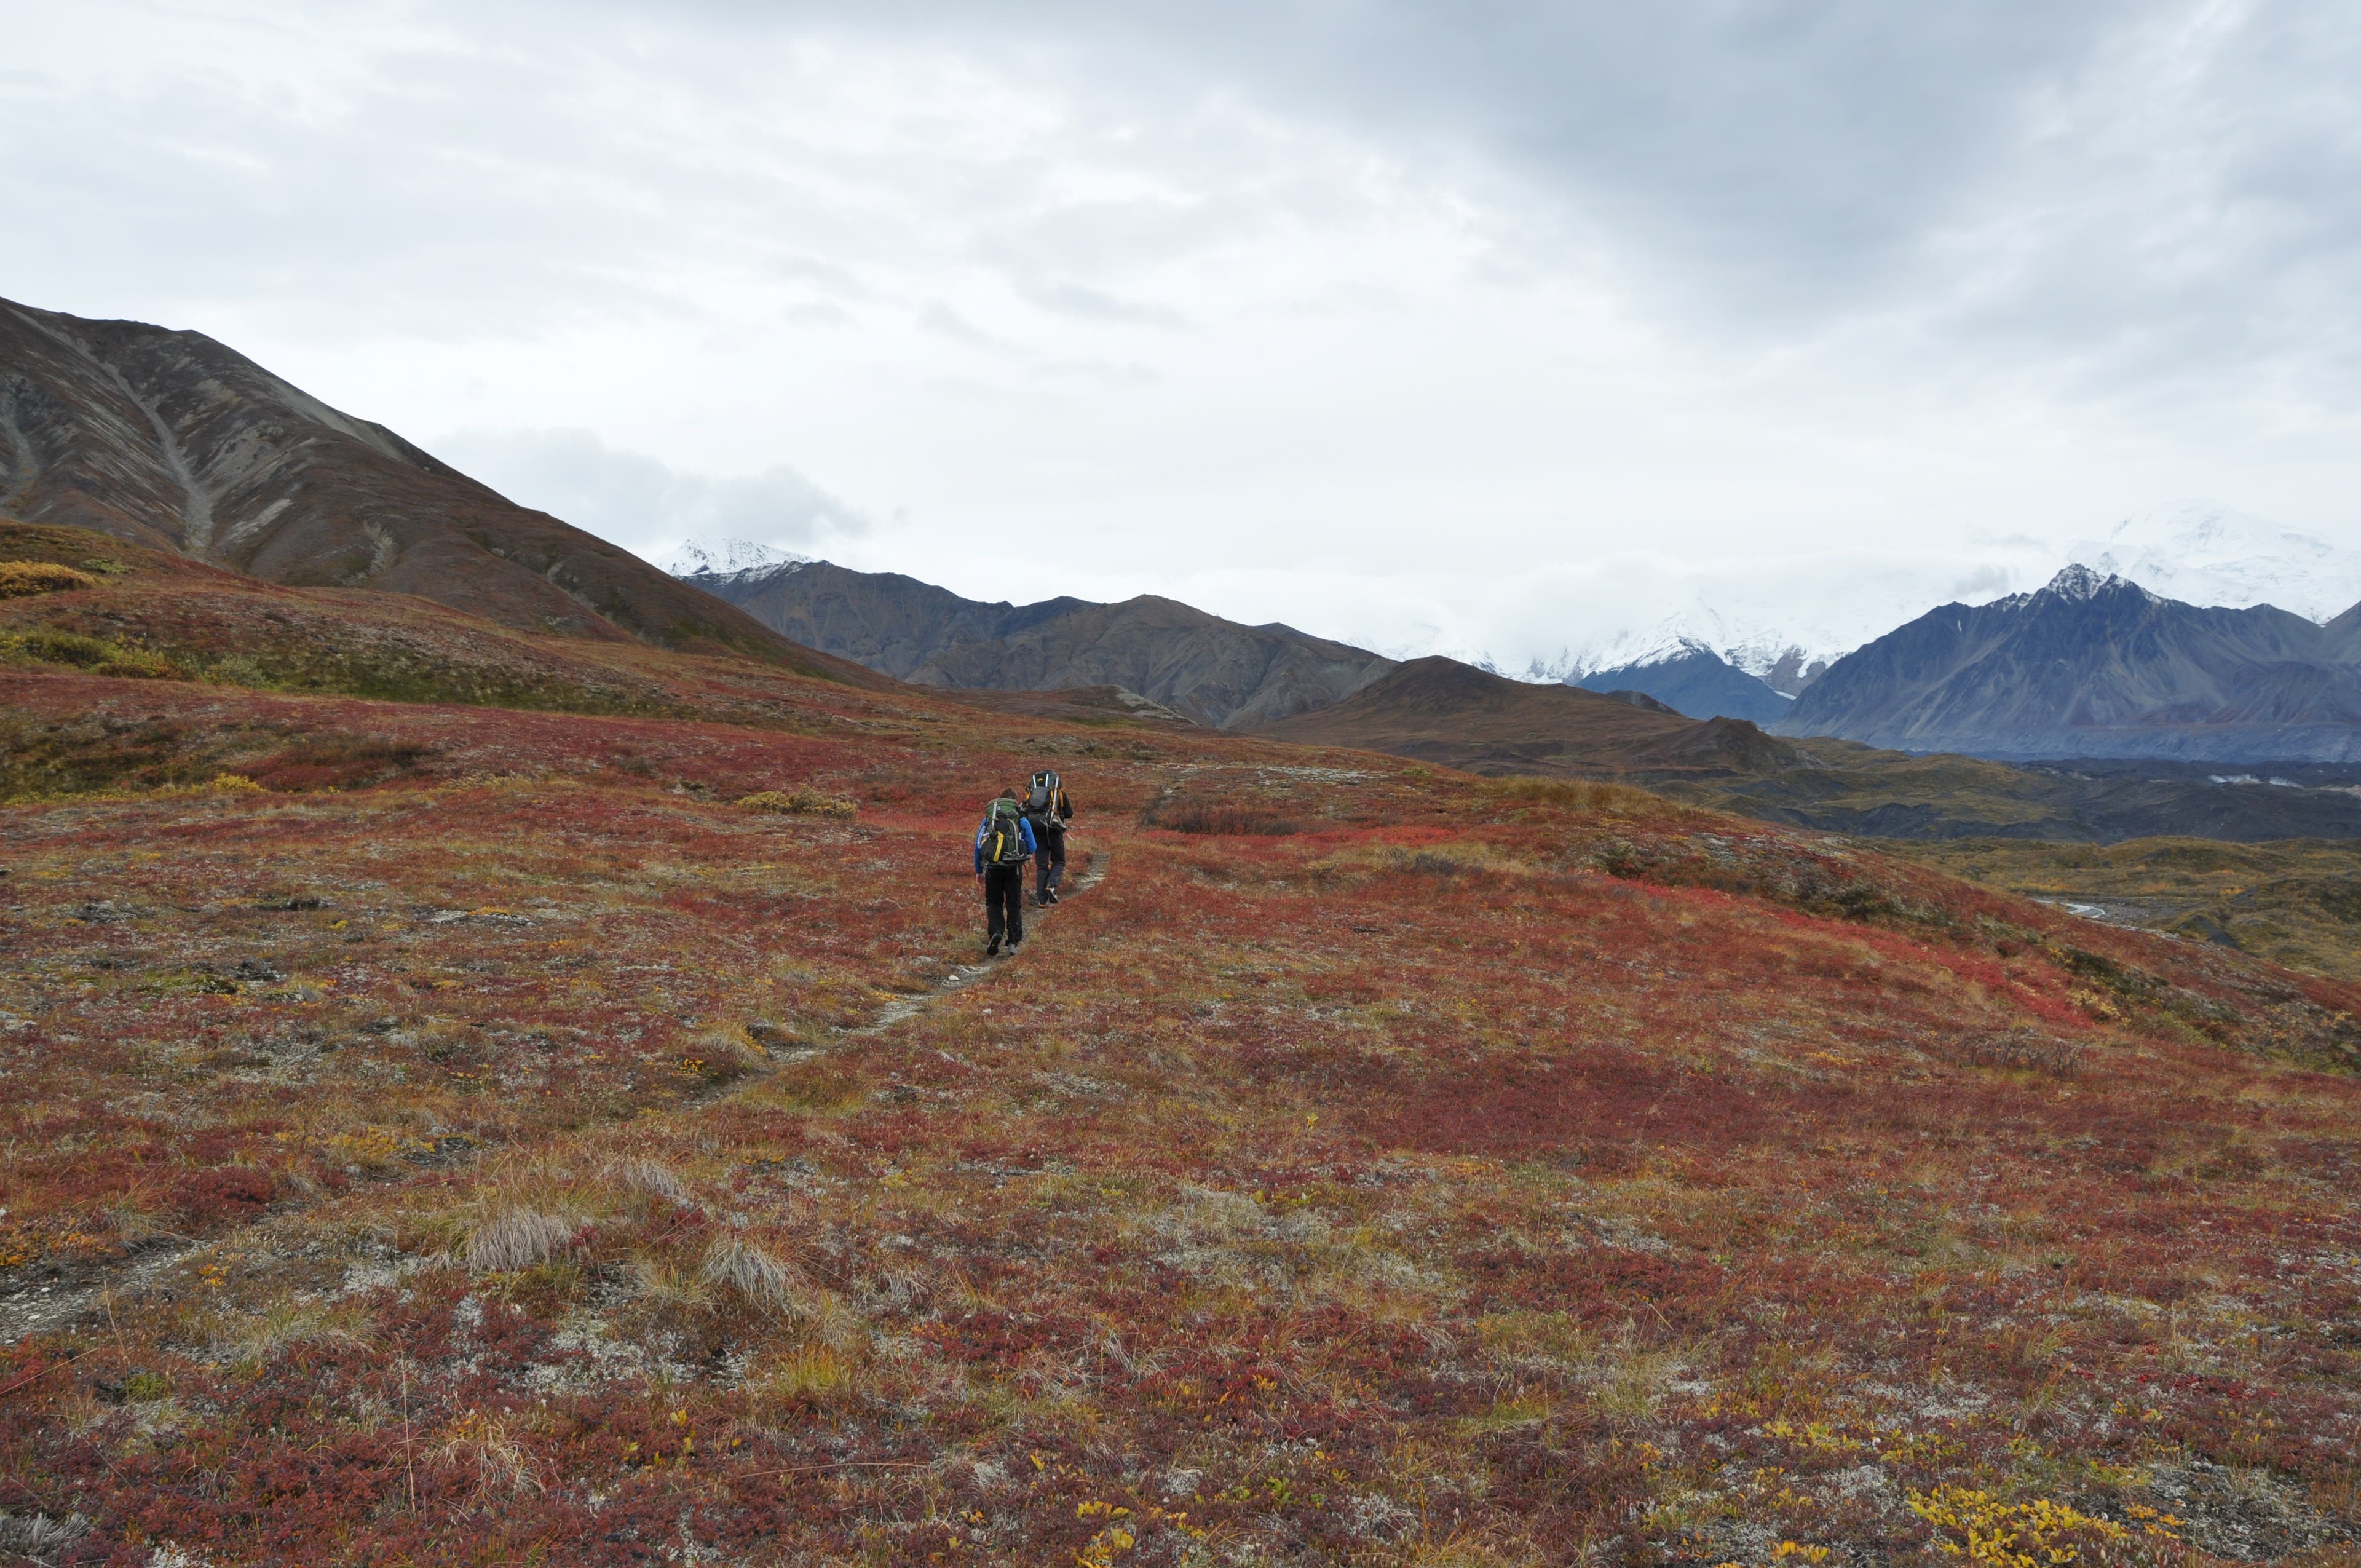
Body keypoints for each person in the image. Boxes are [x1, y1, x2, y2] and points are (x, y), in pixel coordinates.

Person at [973, 789, 1036, 956]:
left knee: (994, 903)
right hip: (1013, 869)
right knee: (1014, 905)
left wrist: (979, 870)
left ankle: (996, 932)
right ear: (1014, 803)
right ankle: (1013, 943)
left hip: (993, 869)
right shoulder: (1021, 820)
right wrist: (1022, 854)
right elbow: (1033, 847)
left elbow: (979, 845)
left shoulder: (988, 820)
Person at [1023, 769, 1076, 905]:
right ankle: (1051, 885)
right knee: (1059, 860)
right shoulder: (1059, 794)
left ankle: (1042, 901)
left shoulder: (1032, 794)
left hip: (1036, 830)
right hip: (1053, 831)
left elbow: (1025, 810)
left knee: (1042, 865)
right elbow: (1069, 813)